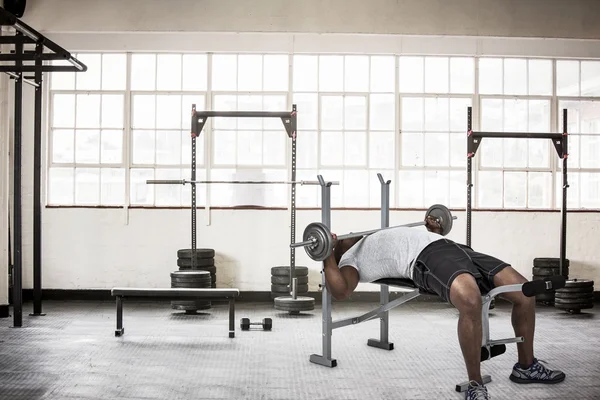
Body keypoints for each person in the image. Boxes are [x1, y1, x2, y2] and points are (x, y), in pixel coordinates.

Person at [323, 216, 565, 400]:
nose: (349, 235)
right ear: (335, 249)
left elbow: (420, 238)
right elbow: (341, 291)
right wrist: (327, 255)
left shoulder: (374, 236)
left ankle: (526, 367)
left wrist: (434, 231)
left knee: (524, 291)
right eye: (340, 239)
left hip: (454, 247)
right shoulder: (349, 260)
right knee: (470, 301)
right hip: (426, 258)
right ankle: (475, 385)